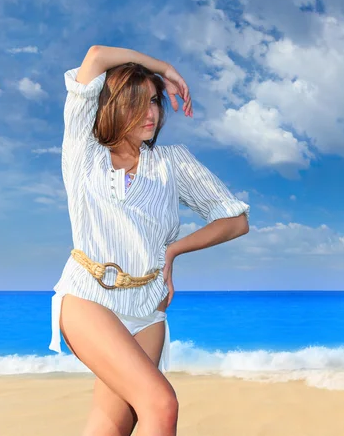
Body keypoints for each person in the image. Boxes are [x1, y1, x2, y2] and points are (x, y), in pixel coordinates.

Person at [49, 45, 250, 435]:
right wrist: (164, 67)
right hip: (88, 295)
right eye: (137, 103)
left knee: (109, 428)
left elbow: (235, 221)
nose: (151, 113)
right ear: (112, 106)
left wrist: (173, 250)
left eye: (155, 101)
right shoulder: (84, 152)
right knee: (161, 403)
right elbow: (94, 57)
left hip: (148, 308)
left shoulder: (173, 162)